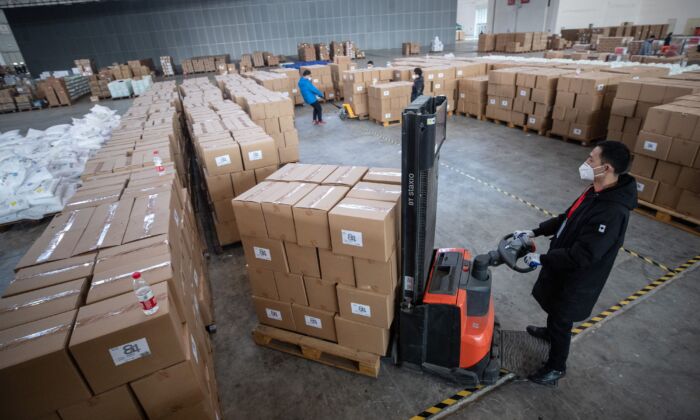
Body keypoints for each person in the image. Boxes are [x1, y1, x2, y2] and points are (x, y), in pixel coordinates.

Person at [513, 141, 637, 387]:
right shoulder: (595, 191)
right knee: (554, 308)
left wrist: (541, 259)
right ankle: (549, 334)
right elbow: (565, 218)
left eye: (592, 159)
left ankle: (555, 368)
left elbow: (584, 255)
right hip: (563, 265)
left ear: (607, 168)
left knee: (562, 318)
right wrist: (534, 232)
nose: (586, 163)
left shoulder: (612, 212)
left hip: (578, 277)